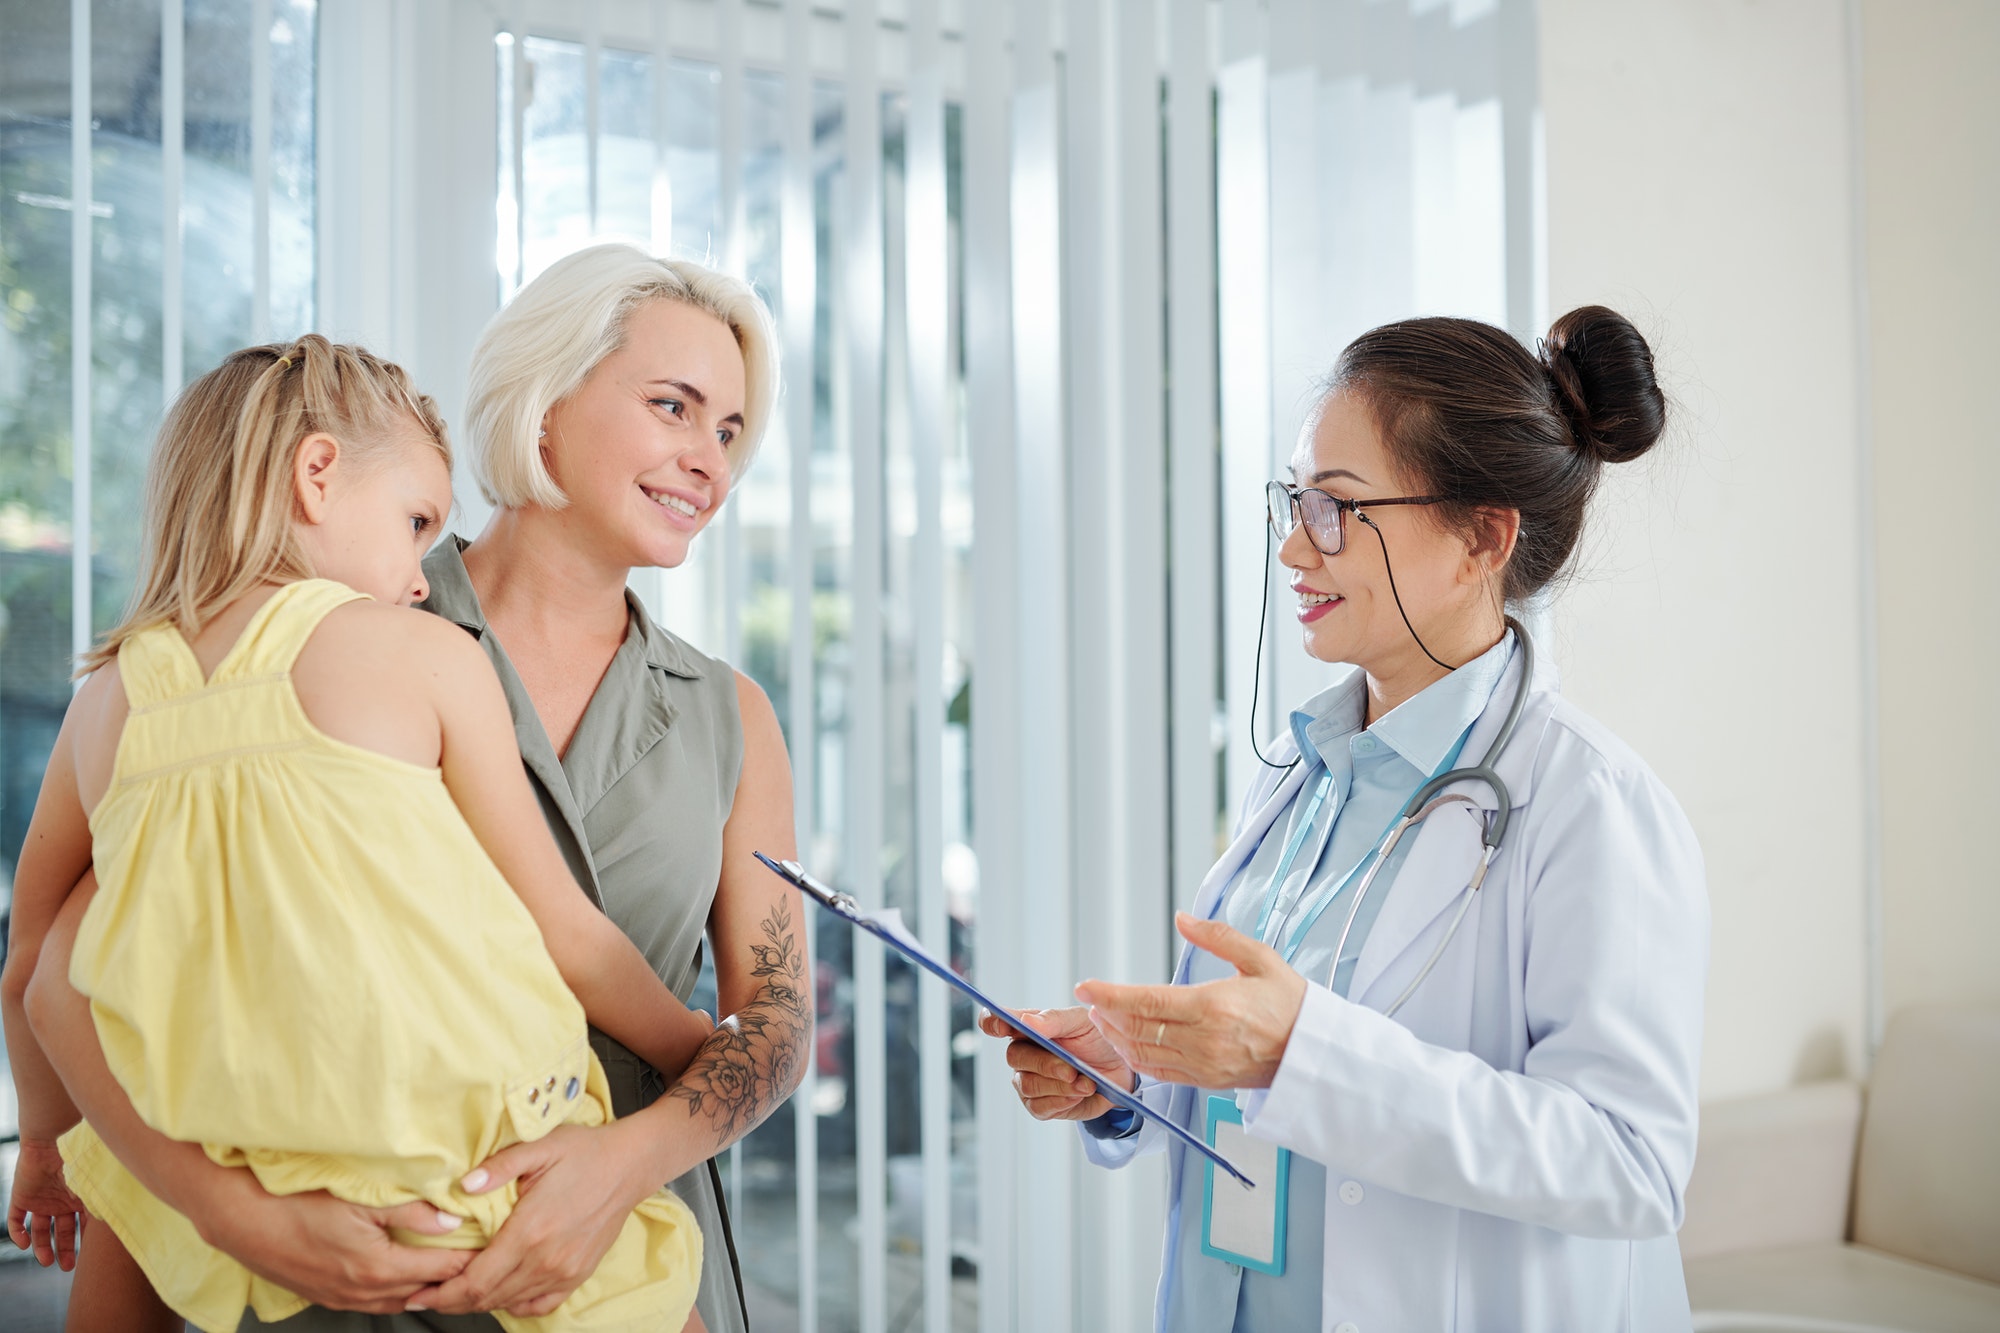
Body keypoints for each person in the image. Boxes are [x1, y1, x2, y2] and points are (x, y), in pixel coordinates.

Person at [18, 246, 808, 1331]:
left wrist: (624, 1161)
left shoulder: (732, 717)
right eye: (673, 406)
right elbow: (71, 976)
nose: (709, 462)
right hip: (311, 1260)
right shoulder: (341, 629)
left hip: (609, 1254)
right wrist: (229, 1212)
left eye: (729, 432)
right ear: (544, 409)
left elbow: (776, 1023)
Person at [984, 307, 1708, 1331]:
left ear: (1479, 536)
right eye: (1293, 500)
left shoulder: (1590, 806)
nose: (1292, 545)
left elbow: (1627, 1163)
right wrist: (1132, 1076)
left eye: (1335, 507)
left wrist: (1301, 1055)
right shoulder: (1304, 772)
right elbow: (1258, 1084)